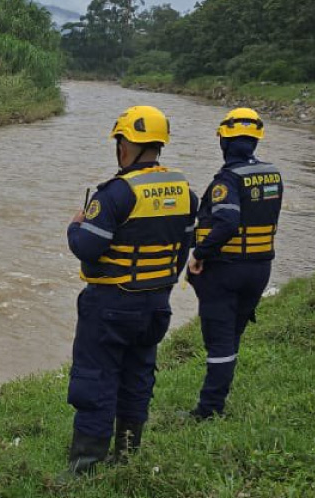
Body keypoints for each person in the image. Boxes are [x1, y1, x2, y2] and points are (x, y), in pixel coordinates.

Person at [64, 106, 198, 474]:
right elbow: (182, 250)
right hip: (156, 304)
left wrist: (75, 226)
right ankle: (127, 454)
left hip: (110, 304)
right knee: (138, 375)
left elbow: (87, 247)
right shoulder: (186, 192)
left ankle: (86, 465)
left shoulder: (115, 195)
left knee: (95, 380)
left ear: (125, 145)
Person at [186, 108, 282, 420]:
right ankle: (217, 396)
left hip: (226, 269)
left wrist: (199, 254)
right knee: (232, 335)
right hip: (260, 268)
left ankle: (210, 409)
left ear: (224, 141)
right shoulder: (273, 174)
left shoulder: (227, 180)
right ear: (256, 139)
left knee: (219, 340)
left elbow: (227, 221)